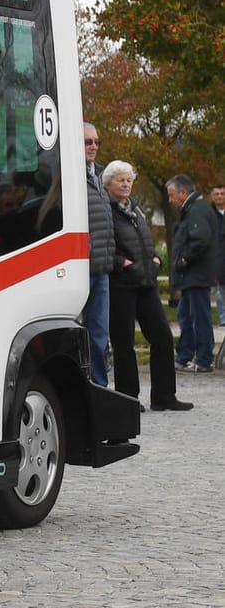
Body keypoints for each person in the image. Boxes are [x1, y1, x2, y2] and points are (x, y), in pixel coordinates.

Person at [104, 161, 191, 411]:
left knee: (162, 337)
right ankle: (128, 400)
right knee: (124, 344)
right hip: (121, 284)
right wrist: (124, 263)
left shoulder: (136, 209)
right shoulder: (105, 209)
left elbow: (146, 239)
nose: (126, 183)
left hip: (146, 282)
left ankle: (164, 396)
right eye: (120, 179)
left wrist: (156, 258)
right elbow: (104, 246)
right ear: (109, 183)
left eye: (129, 179)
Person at [166, 173, 217, 374]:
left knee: (199, 317)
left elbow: (200, 240)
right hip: (191, 276)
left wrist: (182, 260)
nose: (169, 200)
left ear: (183, 193)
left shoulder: (197, 210)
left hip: (196, 275)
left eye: (171, 195)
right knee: (186, 317)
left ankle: (204, 359)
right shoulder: (193, 209)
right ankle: (184, 356)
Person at [81, 124, 115, 387]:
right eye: (87, 142)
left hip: (101, 269)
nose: (93, 146)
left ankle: (99, 389)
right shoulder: (69, 176)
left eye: (96, 141)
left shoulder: (101, 177)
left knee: (99, 335)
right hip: (79, 268)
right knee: (79, 334)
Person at [210, 183, 225, 326]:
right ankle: (223, 320)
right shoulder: (209, 214)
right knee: (220, 292)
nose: (220, 196)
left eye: (222, 193)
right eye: (217, 194)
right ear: (212, 196)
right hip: (217, 258)